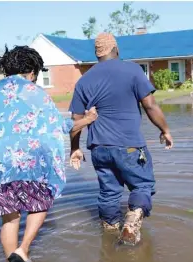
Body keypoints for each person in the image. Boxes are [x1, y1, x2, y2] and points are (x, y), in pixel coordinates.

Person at [0, 45, 97, 262]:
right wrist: (88, 119)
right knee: (40, 203)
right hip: (31, 164)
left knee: (9, 218)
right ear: (33, 72)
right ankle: (23, 249)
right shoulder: (37, 94)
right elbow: (59, 126)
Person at [68, 33, 173, 246]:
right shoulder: (132, 70)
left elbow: (76, 120)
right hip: (129, 146)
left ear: (97, 54)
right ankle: (132, 219)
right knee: (142, 185)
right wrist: (165, 130)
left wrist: (74, 149)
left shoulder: (83, 81)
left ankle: (109, 232)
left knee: (108, 193)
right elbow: (150, 105)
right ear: (116, 49)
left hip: (99, 149)